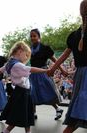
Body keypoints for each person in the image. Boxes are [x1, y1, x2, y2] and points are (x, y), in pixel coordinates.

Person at [0, 41, 48, 133]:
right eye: (26, 55)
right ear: (20, 51)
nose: (27, 57)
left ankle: (24, 132)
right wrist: (46, 70)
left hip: (21, 92)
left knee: (24, 115)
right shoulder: (17, 65)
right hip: (22, 93)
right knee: (19, 116)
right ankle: (6, 131)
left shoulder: (9, 63)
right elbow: (31, 69)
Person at [48, 1, 87, 132]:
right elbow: (64, 55)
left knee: (77, 112)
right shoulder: (76, 35)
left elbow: (64, 55)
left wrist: (53, 69)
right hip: (83, 76)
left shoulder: (74, 35)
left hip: (81, 75)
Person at [29, 28, 66, 120]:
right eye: (31, 36)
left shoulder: (45, 48)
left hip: (43, 74)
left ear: (39, 37)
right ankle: (33, 113)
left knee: (47, 93)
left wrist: (62, 70)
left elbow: (55, 60)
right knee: (32, 93)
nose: (32, 38)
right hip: (33, 75)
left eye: (34, 36)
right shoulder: (29, 49)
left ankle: (58, 109)